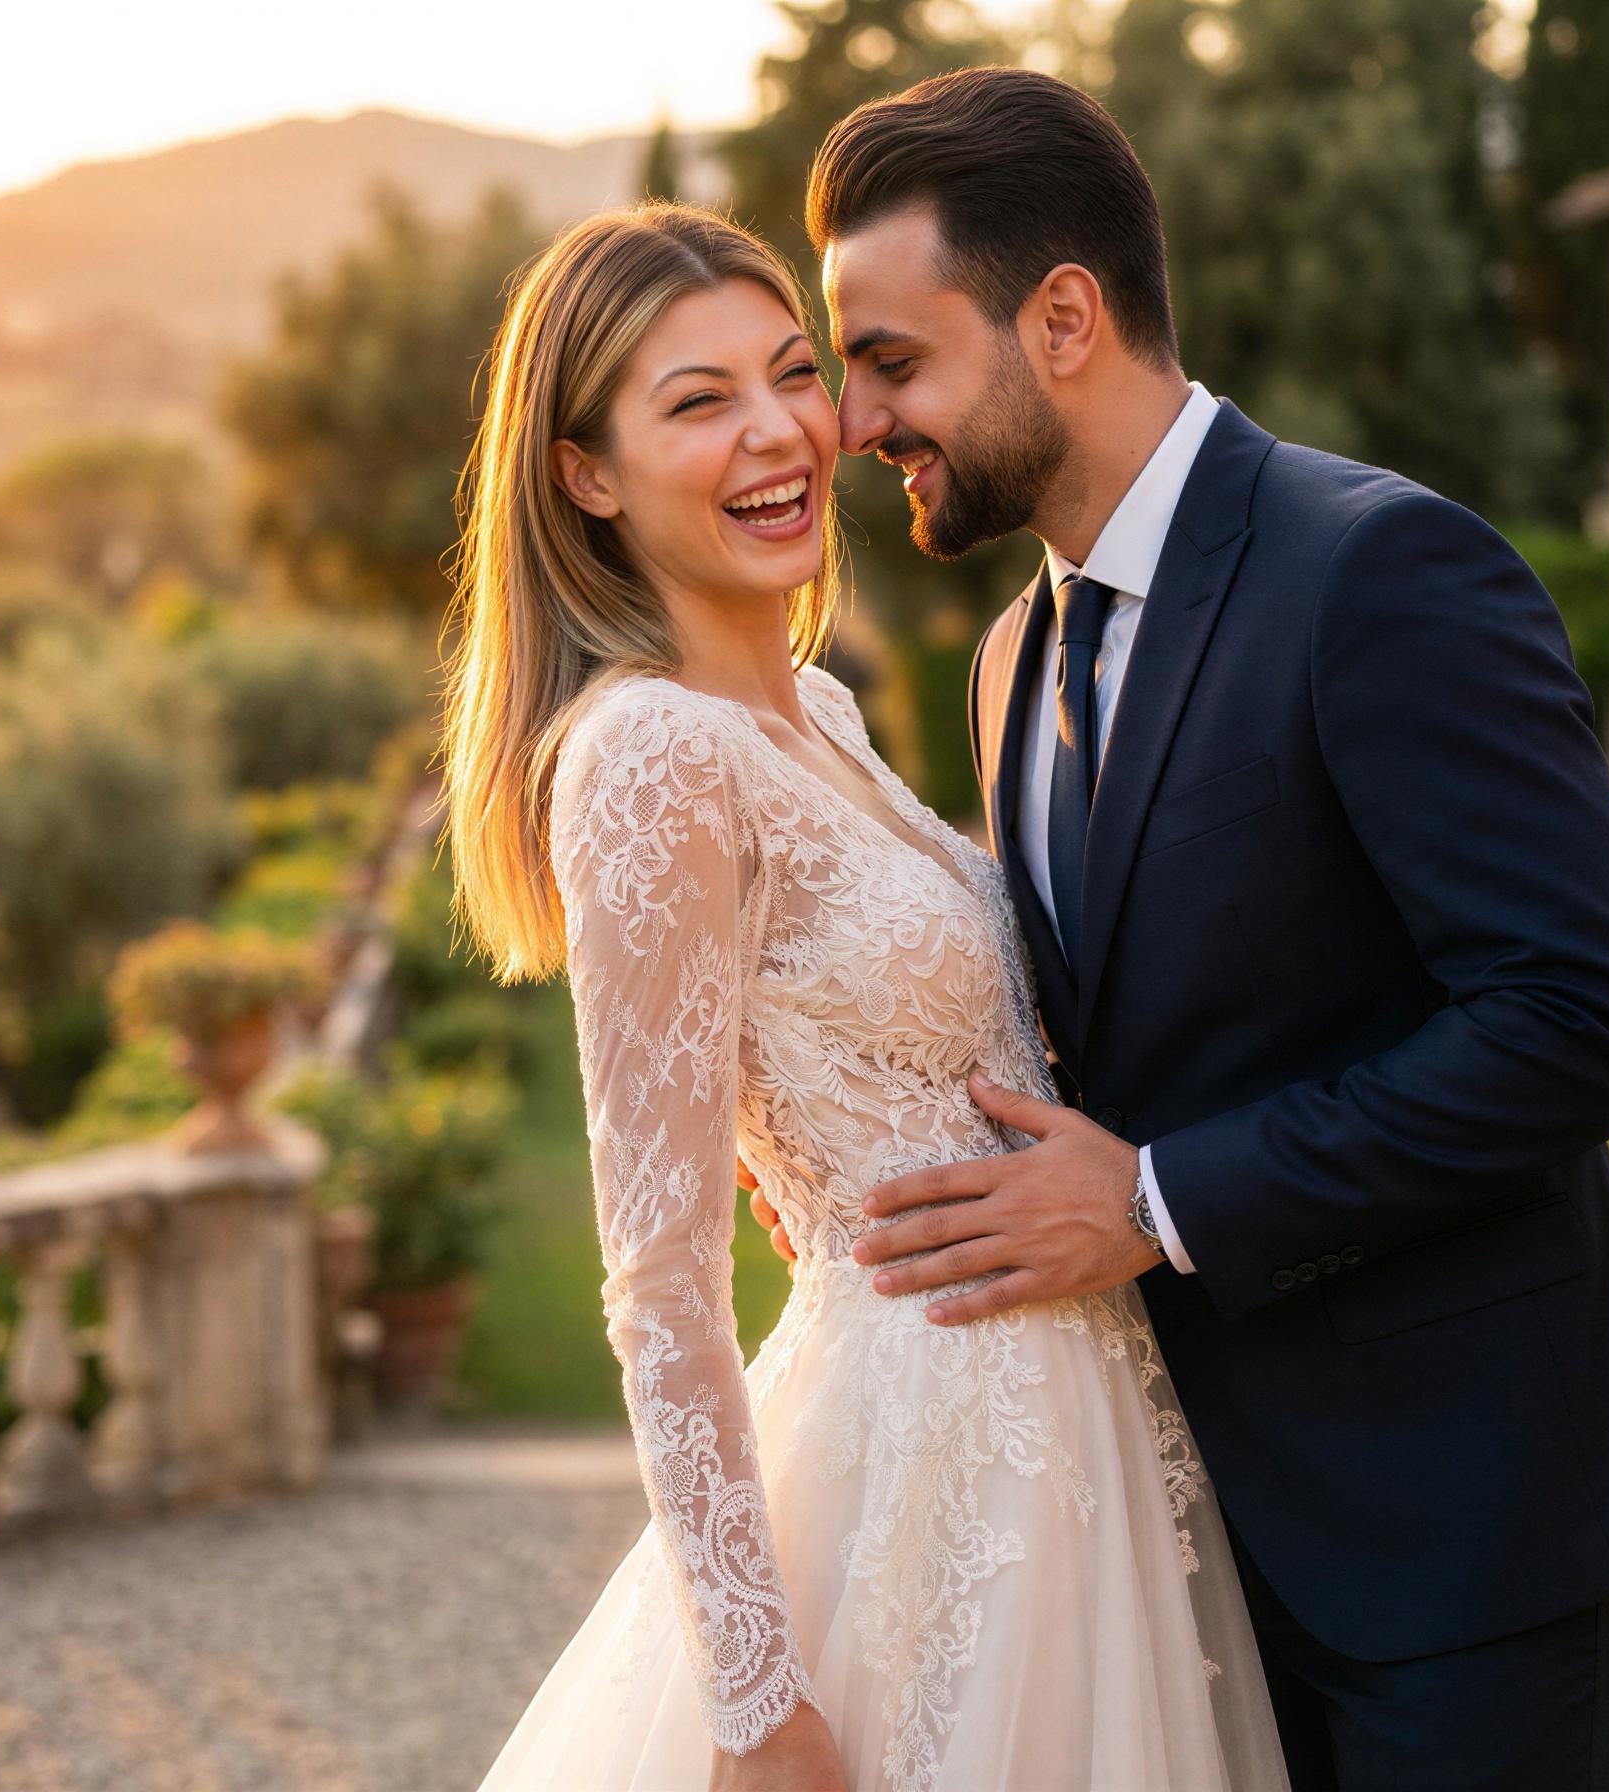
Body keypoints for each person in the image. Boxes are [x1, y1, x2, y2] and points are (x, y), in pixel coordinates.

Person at [751, 66, 1609, 1791]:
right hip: (1175, 1545)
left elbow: (1581, 1019)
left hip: (1458, 1530)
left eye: (892, 361)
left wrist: (1152, 1201)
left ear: (1063, 317)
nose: (853, 422)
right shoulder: (1003, 665)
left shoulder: (1384, 571)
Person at [445, 200, 1289, 1790]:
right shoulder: (648, 758)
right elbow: (659, 1283)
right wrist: (758, 1702)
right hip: (923, 1464)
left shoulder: (813, 712)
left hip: (1070, 1431)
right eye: (697, 403)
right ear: (587, 473)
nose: (776, 433)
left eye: (790, 374)